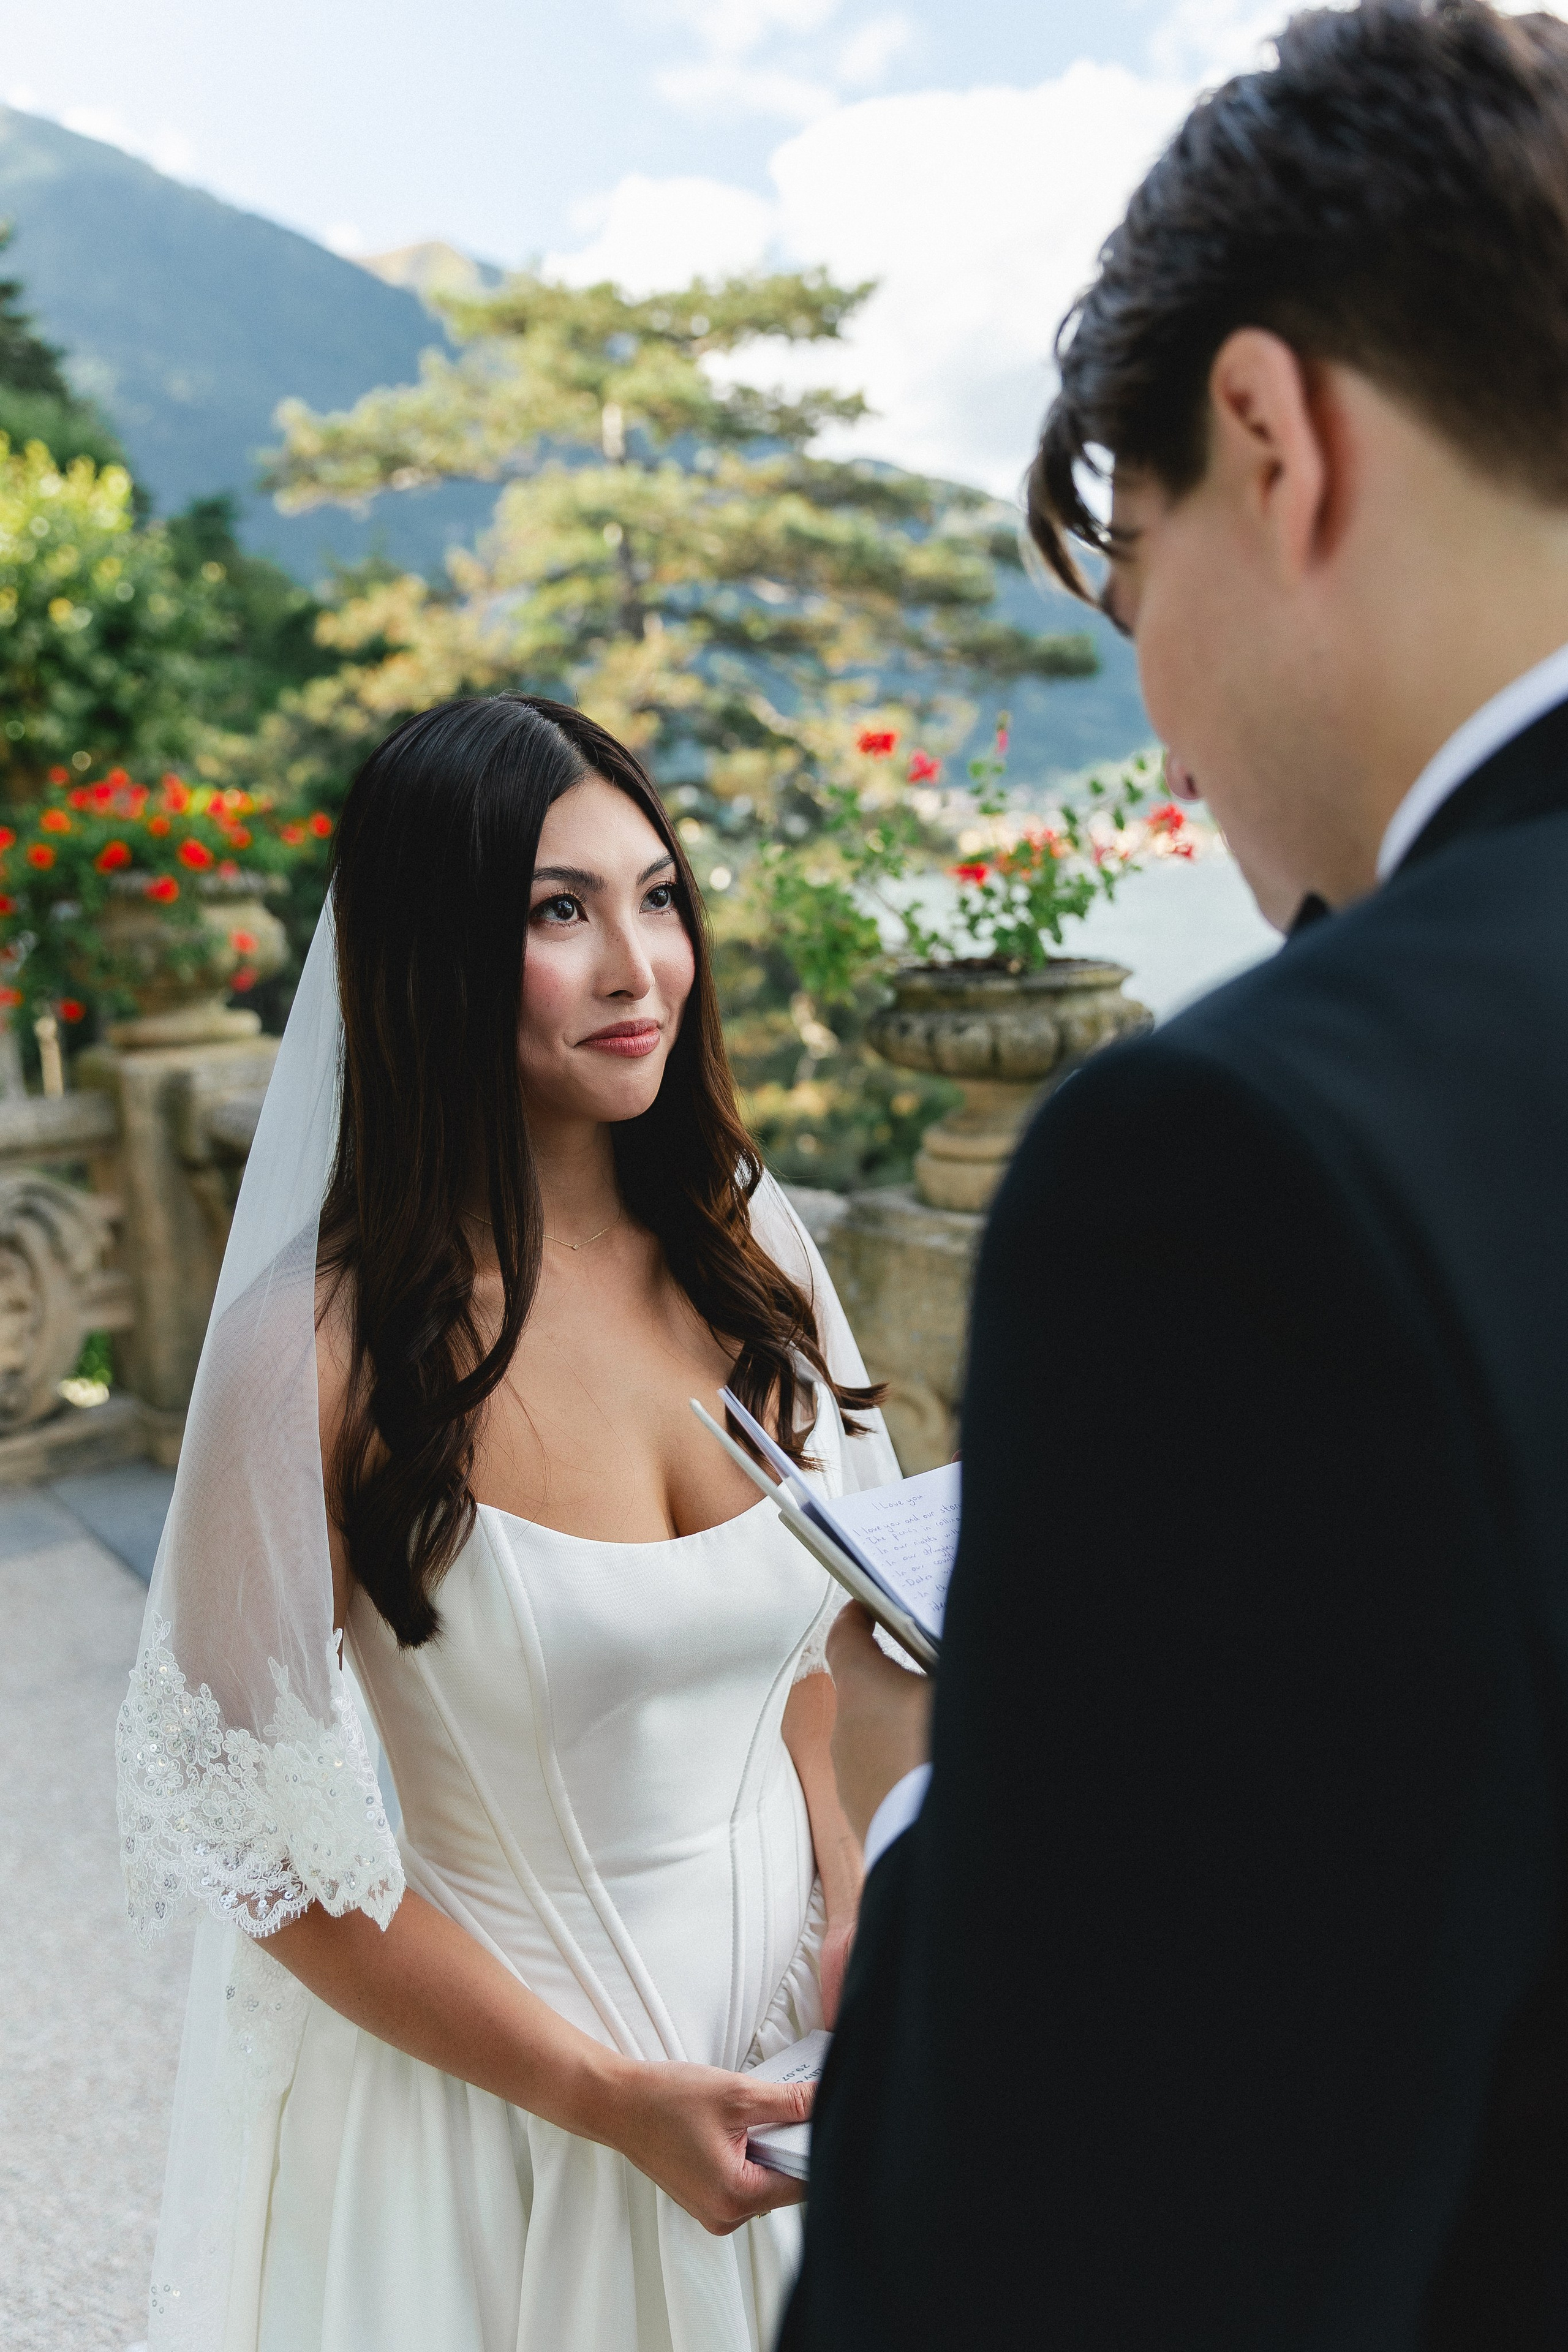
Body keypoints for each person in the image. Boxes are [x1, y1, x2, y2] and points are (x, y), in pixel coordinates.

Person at [783, 3, 1568, 2345]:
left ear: (1269, 433)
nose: (1168, 719)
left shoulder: (1245, 1168)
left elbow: (1066, 2254)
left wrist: (938, 1790)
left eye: (1138, 598)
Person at [116, 693, 899, 2352]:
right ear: (433, 953)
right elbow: (258, 1842)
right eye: (562, 911)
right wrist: (603, 2093)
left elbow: (834, 1642)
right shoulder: (315, 1357)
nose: (641, 967)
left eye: (659, 896)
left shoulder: (748, 1255)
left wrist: (861, 1936)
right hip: (503, 2131)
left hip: (797, 2092)